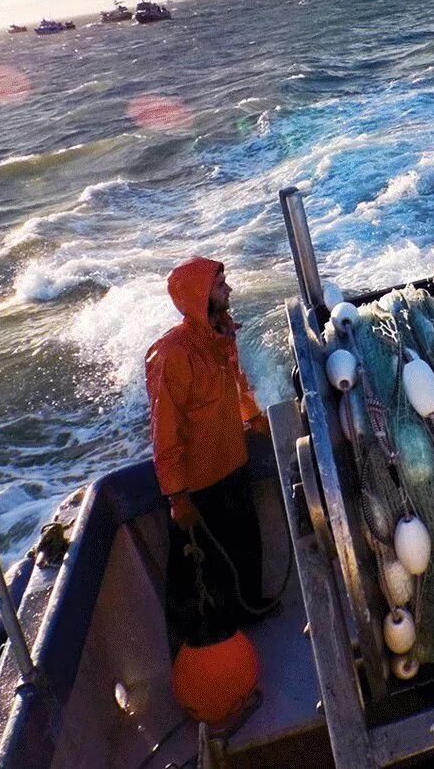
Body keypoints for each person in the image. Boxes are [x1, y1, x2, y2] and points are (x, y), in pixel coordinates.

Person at [146, 257, 273, 642]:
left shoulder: (223, 336)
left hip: (233, 464)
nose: (229, 290)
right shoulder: (172, 355)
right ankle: (205, 645)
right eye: (220, 285)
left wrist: (254, 418)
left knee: (247, 549)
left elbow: (238, 383)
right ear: (201, 297)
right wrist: (177, 497)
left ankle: (250, 611)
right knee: (204, 574)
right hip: (199, 485)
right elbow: (163, 433)